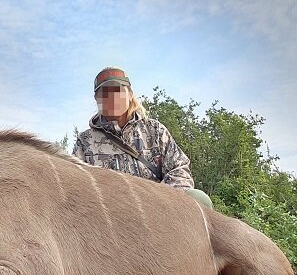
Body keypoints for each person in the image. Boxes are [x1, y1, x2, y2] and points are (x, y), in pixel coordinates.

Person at [73, 66, 213, 209]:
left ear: (130, 94)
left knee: (200, 199)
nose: (112, 98)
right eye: (105, 93)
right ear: (97, 99)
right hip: (111, 214)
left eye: (118, 91)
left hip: (158, 209)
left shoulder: (154, 130)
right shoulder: (85, 142)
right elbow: (77, 188)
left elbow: (180, 169)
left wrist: (157, 202)